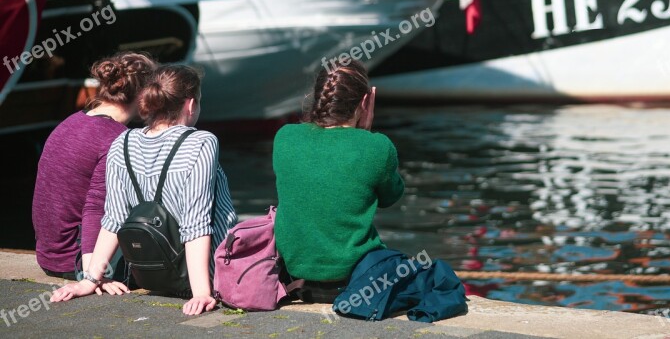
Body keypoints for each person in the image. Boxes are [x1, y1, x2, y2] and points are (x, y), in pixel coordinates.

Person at [51, 65, 238, 316]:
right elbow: (196, 224)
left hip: (151, 275)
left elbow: (113, 218)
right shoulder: (201, 142)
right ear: (191, 105)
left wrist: (89, 279)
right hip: (205, 274)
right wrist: (201, 292)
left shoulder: (122, 142)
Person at [272, 59, 404, 303]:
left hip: (295, 280)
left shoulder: (285, 137)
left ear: (318, 97)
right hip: (354, 282)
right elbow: (391, 196)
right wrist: (364, 136)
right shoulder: (377, 147)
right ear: (366, 102)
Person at [32, 52, 157, 280]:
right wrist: (94, 276)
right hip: (79, 261)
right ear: (143, 96)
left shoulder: (71, 122)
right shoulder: (117, 139)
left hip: (50, 256)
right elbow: (97, 207)